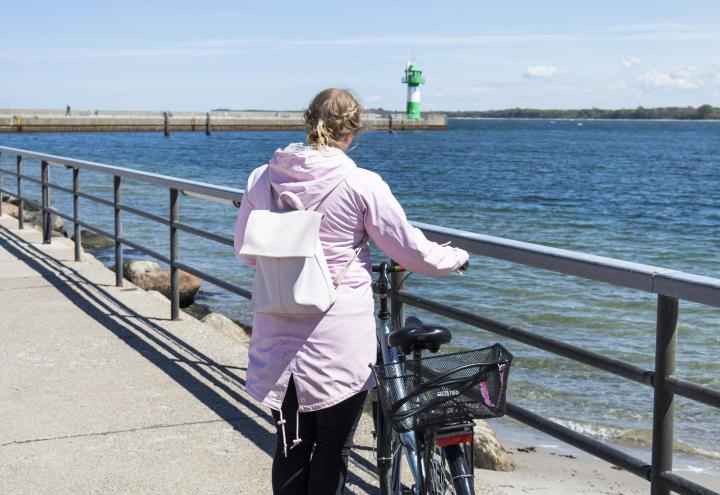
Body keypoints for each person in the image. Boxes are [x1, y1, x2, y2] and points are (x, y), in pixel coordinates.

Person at [233, 88, 469, 495]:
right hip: (336, 339)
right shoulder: (361, 183)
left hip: (275, 333)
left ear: (308, 121)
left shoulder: (262, 178)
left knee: (290, 445)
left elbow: (245, 253)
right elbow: (409, 251)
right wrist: (455, 257)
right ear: (353, 129)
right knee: (332, 447)